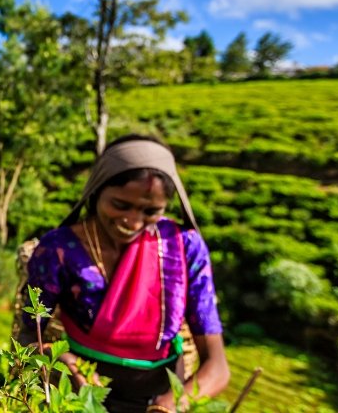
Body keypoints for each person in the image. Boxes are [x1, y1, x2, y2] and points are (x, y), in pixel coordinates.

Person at [21, 136, 229, 412]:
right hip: (78, 397)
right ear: (96, 191)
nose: (132, 221)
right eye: (120, 205)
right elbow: (27, 335)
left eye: (150, 211)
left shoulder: (183, 248)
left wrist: (169, 406)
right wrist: (61, 362)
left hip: (159, 398)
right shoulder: (58, 250)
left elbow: (217, 366)